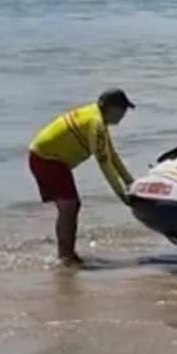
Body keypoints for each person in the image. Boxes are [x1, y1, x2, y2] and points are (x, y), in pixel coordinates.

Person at [28, 89, 135, 266]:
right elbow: (104, 163)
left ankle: (67, 254)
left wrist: (130, 182)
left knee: (69, 206)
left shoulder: (97, 117)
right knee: (69, 206)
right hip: (46, 159)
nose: (124, 114)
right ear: (110, 108)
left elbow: (112, 154)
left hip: (50, 158)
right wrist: (121, 195)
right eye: (122, 109)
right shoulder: (96, 124)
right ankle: (65, 257)